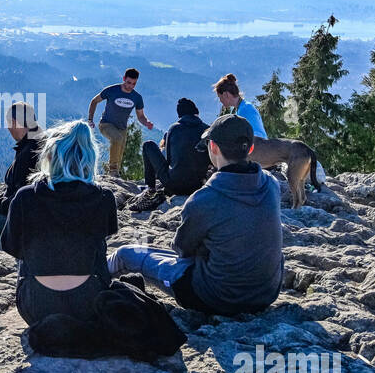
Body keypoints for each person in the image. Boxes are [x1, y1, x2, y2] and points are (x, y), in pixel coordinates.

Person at [108, 114, 283, 316]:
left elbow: (182, 250)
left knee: (126, 253)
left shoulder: (205, 199)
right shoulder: (271, 184)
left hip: (215, 297)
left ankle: (90, 279)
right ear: (250, 148)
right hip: (267, 292)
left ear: (213, 148)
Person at [0, 119, 118, 324]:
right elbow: (104, 238)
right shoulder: (104, 197)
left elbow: (11, 247)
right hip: (89, 302)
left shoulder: (25, 197)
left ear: (50, 156)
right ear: (90, 158)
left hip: (36, 306)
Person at [0, 102, 44, 242]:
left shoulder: (29, 153)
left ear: (15, 122)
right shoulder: (34, 142)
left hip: (18, 217)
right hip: (18, 211)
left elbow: (20, 201)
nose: (8, 128)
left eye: (9, 123)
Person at [132, 97, 211, 210]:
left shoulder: (174, 129)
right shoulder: (207, 130)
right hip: (197, 186)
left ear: (180, 115)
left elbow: (169, 160)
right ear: (196, 113)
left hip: (173, 185)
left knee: (148, 145)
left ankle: (150, 189)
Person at [87, 68, 155, 177]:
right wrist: (90, 119)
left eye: (134, 84)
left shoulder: (137, 97)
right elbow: (94, 101)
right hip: (106, 124)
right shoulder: (111, 90)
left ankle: (113, 175)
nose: (130, 86)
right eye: (128, 82)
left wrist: (147, 122)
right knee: (117, 139)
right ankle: (113, 170)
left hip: (122, 129)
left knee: (119, 154)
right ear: (124, 79)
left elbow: (141, 116)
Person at [213, 73, 268, 139]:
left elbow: (259, 136)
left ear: (226, 94)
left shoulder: (247, 109)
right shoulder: (240, 109)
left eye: (219, 97)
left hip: (258, 148)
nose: (220, 100)